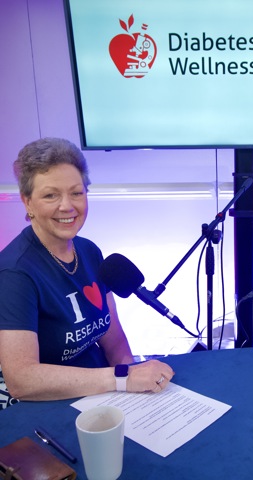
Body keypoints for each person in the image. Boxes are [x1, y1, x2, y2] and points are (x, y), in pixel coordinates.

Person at [0, 137, 174, 408]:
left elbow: (113, 338)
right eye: (50, 195)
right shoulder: (14, 273)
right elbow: (22, 380)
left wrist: (136, 392)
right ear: (27, 202)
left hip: (100, 389)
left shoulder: (89, 251)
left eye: (76, 193)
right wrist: (122, 379)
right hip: (45, 403)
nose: (67, 206)